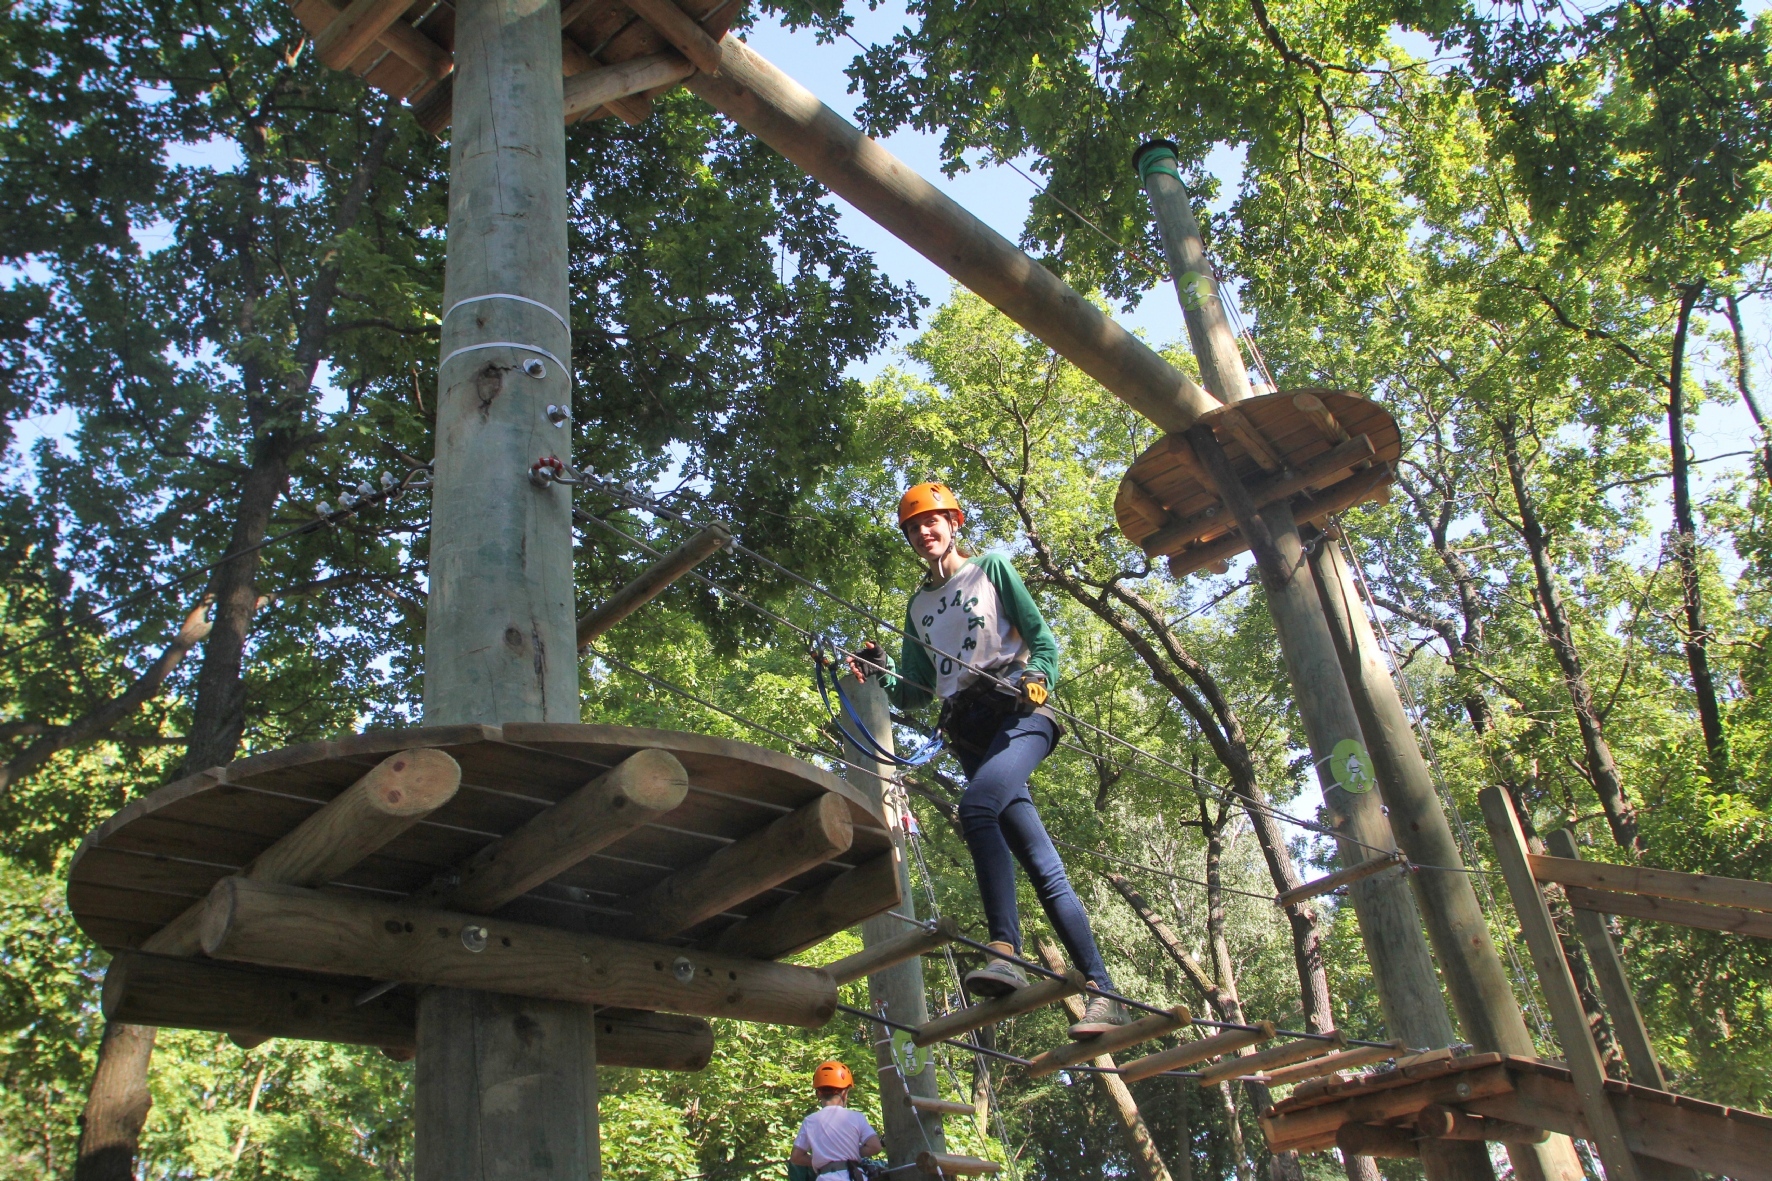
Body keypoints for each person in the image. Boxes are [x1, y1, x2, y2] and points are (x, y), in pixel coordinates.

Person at [850, 482, 1126, 1036]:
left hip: (1020, 715)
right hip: (971, 737)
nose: (924, 532)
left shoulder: (992, 569)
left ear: (955, 524)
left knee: (976, 810)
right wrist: (880, 668)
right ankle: (1104, 990)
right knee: (1040, 863)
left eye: (933, 521)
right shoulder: (918, 606)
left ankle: (1006, 951)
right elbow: (915, 692)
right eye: (913, 526)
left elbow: (1043, 640)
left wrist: (1036, 676)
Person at [788, 1061, 884, 1181]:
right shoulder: (856, 1117)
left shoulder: (810, 1121)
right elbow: (875, 1146)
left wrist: (823, 1157)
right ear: (844, 1093)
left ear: (818, 1094)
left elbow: (796, 1157)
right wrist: (850, 1152)